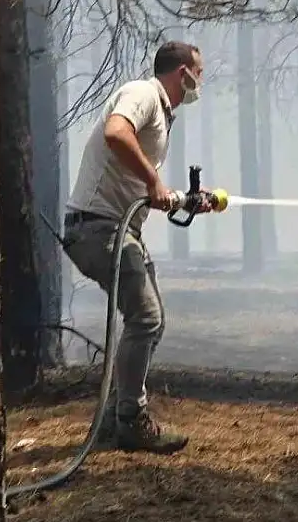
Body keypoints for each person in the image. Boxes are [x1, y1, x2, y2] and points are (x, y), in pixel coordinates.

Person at [63, 41, 204, 454]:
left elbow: (143, 186)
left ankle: (113, 419)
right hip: (98, 229)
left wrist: (187, 198)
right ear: (183, 73)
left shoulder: (161, 113)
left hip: (117, 229)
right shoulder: (142, 93)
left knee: (150, 322)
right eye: (200, 72)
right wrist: (154, 182)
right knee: (145, 317)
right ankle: (130, 419)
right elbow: (116, 133)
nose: (201, 82)